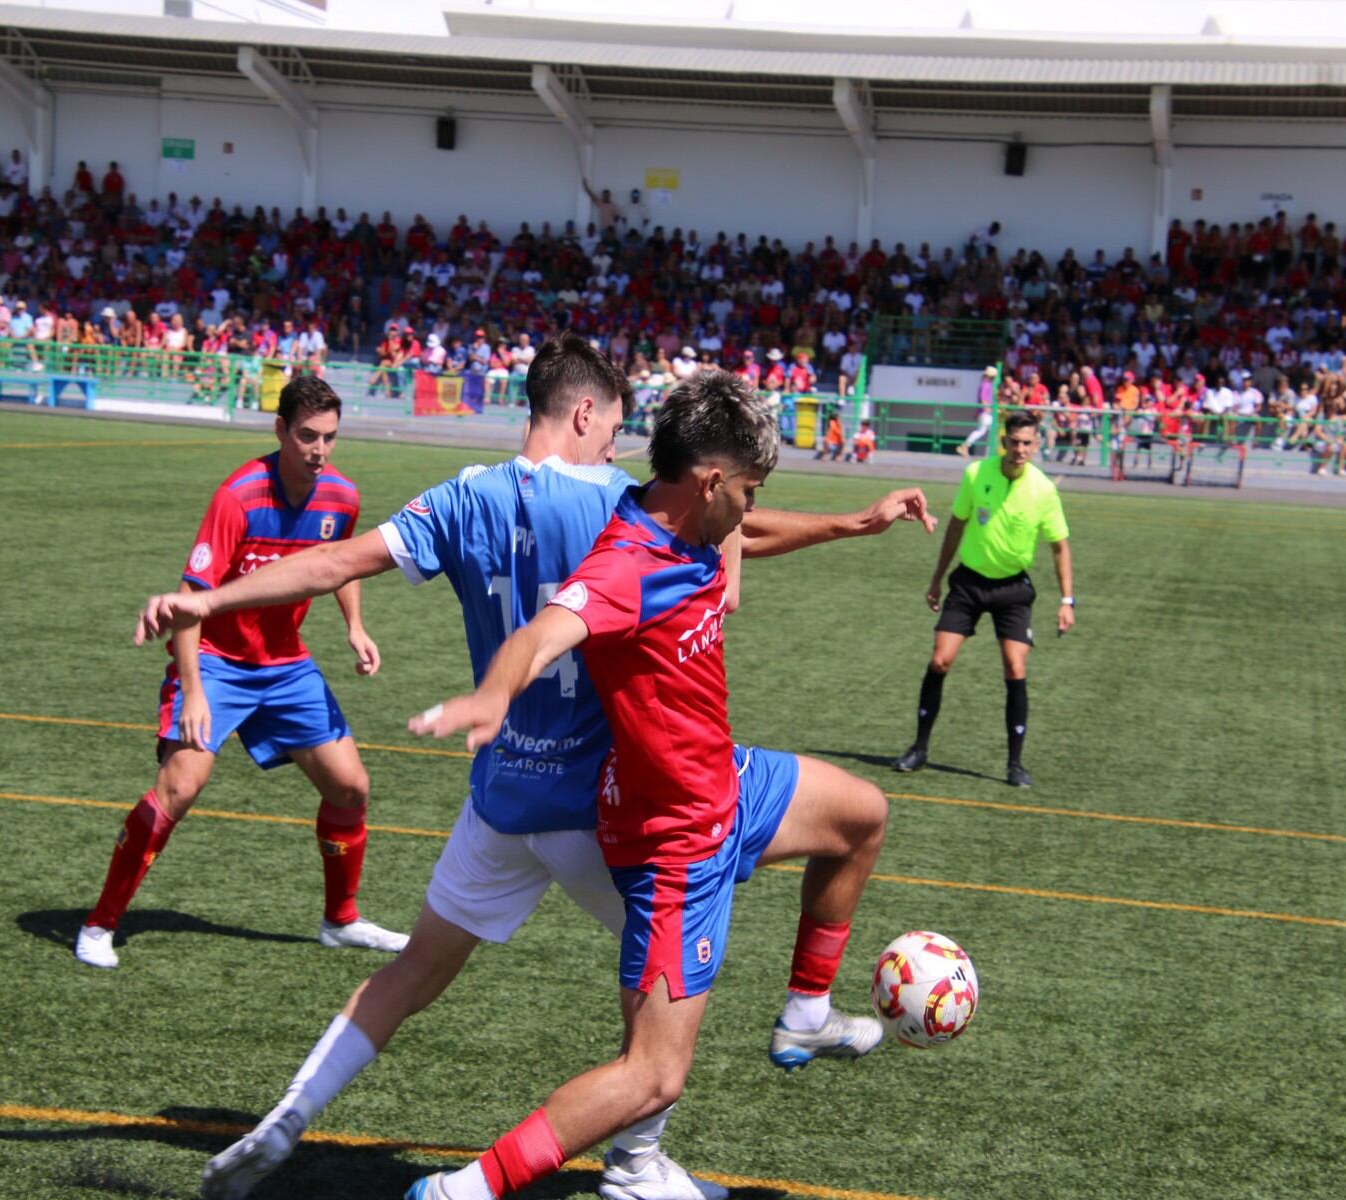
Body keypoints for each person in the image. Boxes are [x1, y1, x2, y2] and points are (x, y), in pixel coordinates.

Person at [139, 334, 730, 1200]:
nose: (621, 446)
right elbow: (723, 523)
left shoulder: (464, 496)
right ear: (583, 413)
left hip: (497, 799)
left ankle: (287, 1119)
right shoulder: (618, 501)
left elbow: (338, 560)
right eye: (615, 426)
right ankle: (636, 1168)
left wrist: (213, 597)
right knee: (671, 978)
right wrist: (845, 525)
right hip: (592, 808)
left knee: (412, 970)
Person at [403, 372, 935, 1200]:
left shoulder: (688, 518)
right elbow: (549, 630)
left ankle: (803, 1014)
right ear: (712, 482)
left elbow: (745, 533)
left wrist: (855, 523)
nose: (749, 510)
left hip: (728, 783)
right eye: (749, 489)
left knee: (862, 817)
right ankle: (461, 1191)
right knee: (653, 1075)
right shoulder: (628, 562)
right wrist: (493, 693)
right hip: (674, 843)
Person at [73, 376, 407, 970]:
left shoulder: (341, 496)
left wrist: (354, 626)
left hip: (285, 665)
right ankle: (100, 925)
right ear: (280, 430)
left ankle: (341, 921)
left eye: (330, 437)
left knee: (351, 787)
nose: (319, 450)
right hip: (214, 662)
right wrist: (195, 690)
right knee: (181, 786)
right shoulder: (239, 496)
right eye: (307, 435)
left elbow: (341, 565)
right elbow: (186, 603)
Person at [893, 412, 1074, 788]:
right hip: (969, 584)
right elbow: (956, 526)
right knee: (940, 660)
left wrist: (1067, 600)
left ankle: (1014, 763)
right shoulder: (976, 474)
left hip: (1013, 590)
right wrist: (937, 579)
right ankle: (919, 748)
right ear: (1003, 442)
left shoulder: (1044, 490)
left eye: (1028, 443)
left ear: (1036, 445)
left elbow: (1060, 547)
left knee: (1014, 666)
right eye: (1015, 441)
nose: (1020, 449)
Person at [959, 365, 997, 456]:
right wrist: (987, 408)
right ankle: (966, 445)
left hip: (983, 411)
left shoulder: (985, 384)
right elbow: (983, 398)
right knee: (986, 430)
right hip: (986, 412)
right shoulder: (986, 385)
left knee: (985, 430)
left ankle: (966, 445)